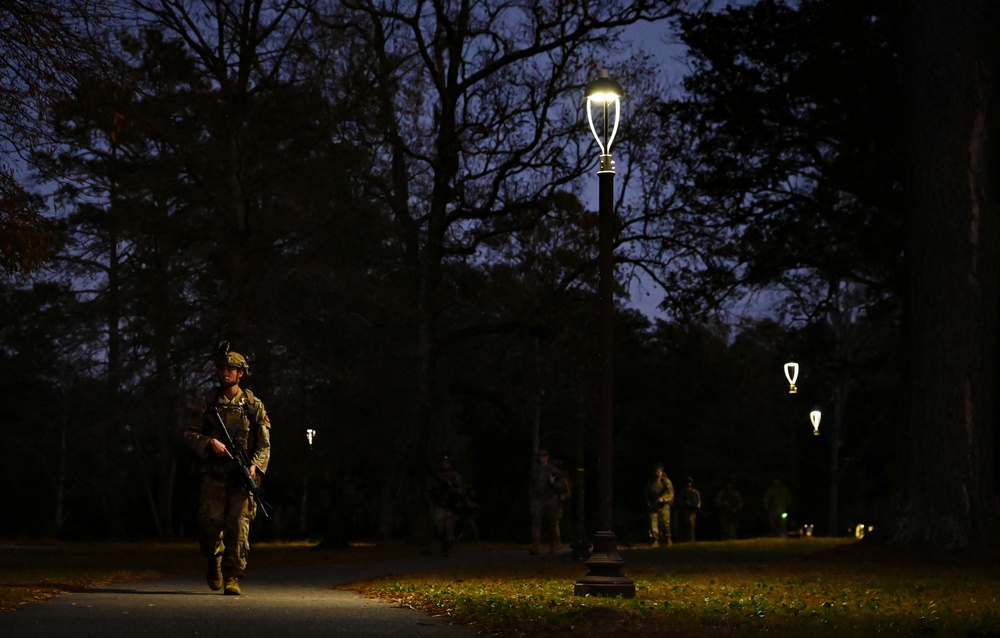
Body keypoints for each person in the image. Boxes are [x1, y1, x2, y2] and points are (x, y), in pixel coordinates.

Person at [184, 345, 271, 596]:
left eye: (230, 369)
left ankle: (233, 575)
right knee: (209, 527)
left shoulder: (253, 405)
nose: (225, 373)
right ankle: (214, 562)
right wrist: (209, 443)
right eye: (221, 369)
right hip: (213, 475)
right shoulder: (207, 402)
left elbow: (264, 443)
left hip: (242, 477)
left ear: (241, 373)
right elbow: (189, 434)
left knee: (239, 526)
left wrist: (255, 465)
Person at [426, 453, 467, 556]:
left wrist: (452, 490)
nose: (444, 464)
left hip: (451, 506)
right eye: (443, 462)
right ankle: (443, 541)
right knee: (438, 524)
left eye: (446, 462)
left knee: (450, 528)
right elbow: (430, 488)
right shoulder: (437, 475)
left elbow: (462, 489)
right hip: (440, 504)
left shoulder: (455, 475)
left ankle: (447, 549)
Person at [529, 449, 567, 555]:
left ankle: (553, 544)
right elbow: (532, 487)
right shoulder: (536, 470)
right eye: (541, 456)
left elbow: (563, 485)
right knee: (536, 522)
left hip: (551, 500)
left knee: (552, 523)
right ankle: (536, 544)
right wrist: (532, 500)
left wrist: (553, 483)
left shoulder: (553, 469)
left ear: (548, 457)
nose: (543, 458)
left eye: (545, 456)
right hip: (538, 500)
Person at [645, 463, 674, 547]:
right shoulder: (651, 483)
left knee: (665, 523)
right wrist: (649, 503)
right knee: (653, 523)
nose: (657, 473)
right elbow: (647, 494)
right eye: (656, 471)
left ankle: (667, 539)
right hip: (653, 505)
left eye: (659, 471)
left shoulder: (665, 481)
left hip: (663, 505)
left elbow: (670, 492)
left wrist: (663, 499)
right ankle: (655, 540)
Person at [677, 477, 702, 542]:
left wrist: (696, 507)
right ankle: (684, 540)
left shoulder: (695, 492)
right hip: (684, 511)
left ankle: (691, 540)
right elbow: (679, 502)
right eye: (687, 483)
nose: (689, 484)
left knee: (691, 526)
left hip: (692, 512)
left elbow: (698, 501)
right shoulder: (682, 493)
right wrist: (685, 503)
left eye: (690, 483)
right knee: (684, 526)